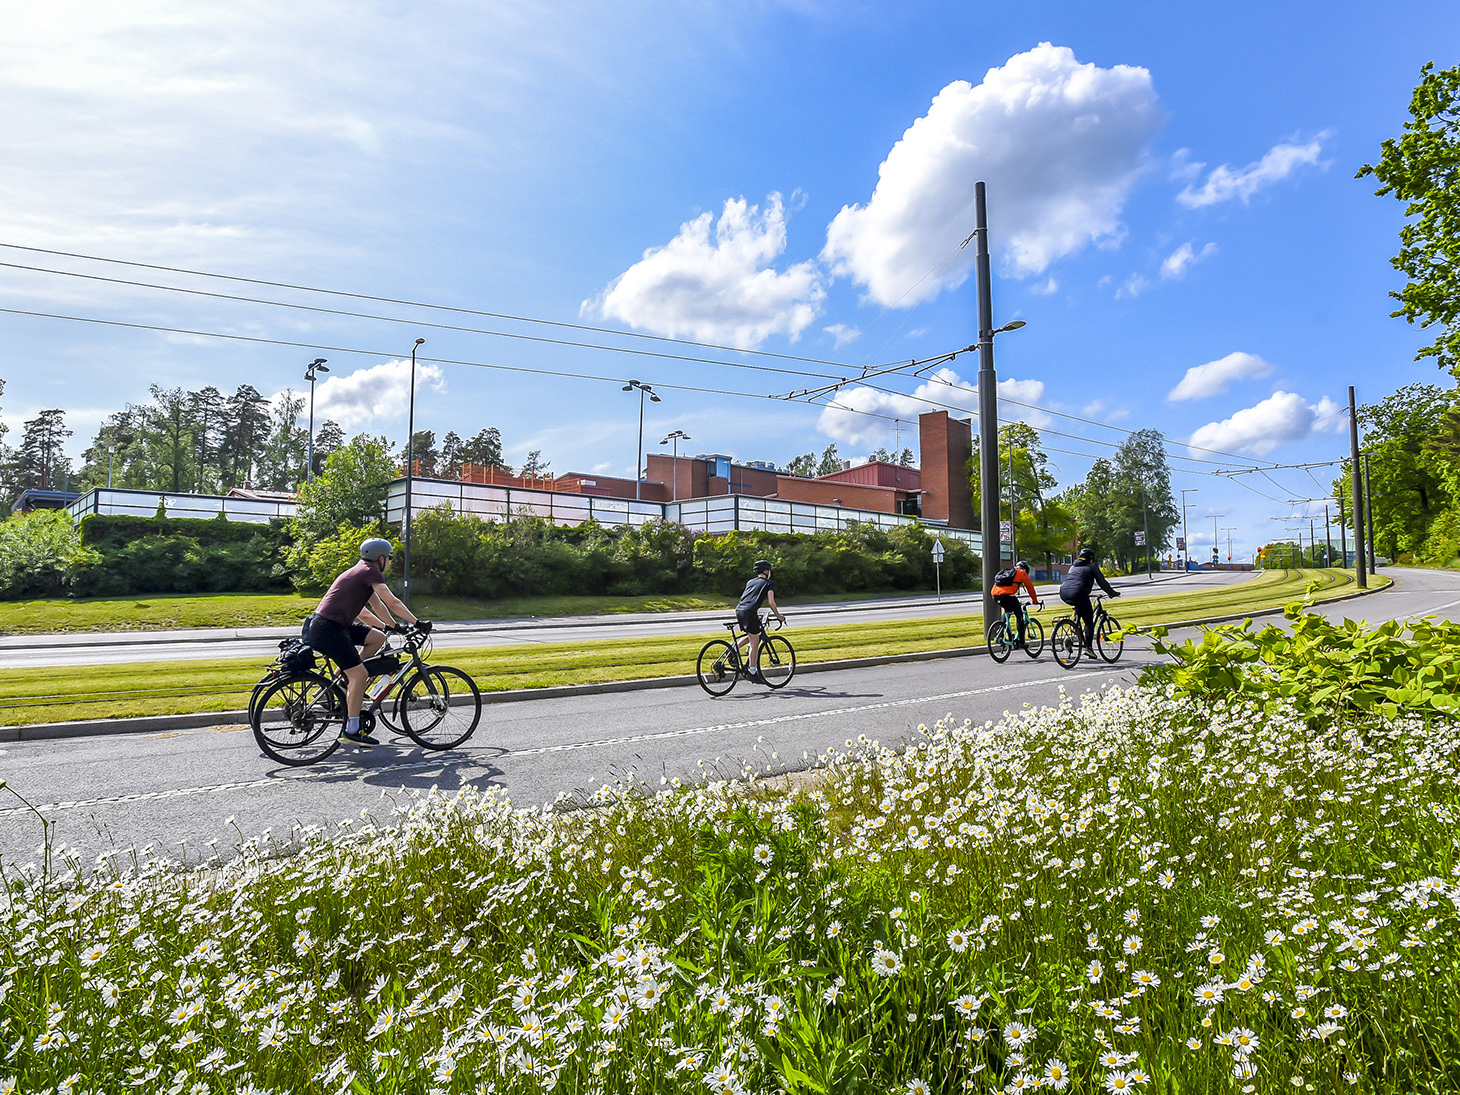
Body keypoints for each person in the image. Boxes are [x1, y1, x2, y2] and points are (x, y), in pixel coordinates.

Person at [303, 537, 429, 746]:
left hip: (329, 626)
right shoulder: (371, 572)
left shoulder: (360, 572)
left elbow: (374, 609)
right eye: (389, 558)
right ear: (381, 558)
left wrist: (392, 627)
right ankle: (352, 730)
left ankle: (343, 680)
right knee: (360, 674)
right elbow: (392, 602)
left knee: (377, 638)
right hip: (329, 629)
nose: (390, 562)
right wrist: (417, 622)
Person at [1059, 546, 1119, 651]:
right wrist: (1112, 593)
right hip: (1079, 593)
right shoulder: (1092, 567)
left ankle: (1074, 627)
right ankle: (1089, 649)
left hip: (1063, 592)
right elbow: (1102, 582)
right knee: (1089, 622)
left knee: (1080, 607)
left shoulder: (1073, 566)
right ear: (1091, 559)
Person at [735, 558, 786, 681]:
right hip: (749, 612)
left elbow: (748, 599)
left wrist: (754, 615)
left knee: (752, 635)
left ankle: (732, 651)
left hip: (740, 610)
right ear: (766, 571)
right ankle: (752, 672)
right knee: (755, 642)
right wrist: (779, 616)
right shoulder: (768, 583)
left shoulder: (750, 582)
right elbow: (771, 602)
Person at [990, 559, 1040, 648]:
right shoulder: (1022, 573)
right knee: (1019, 615)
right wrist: (1035, 601)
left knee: (1007, 611)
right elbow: (1030, 588)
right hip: (1007, 595)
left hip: (995, 595)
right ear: (1025, 569)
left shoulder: (1008, 572)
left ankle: (1000, 634)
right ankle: (1021, 641)